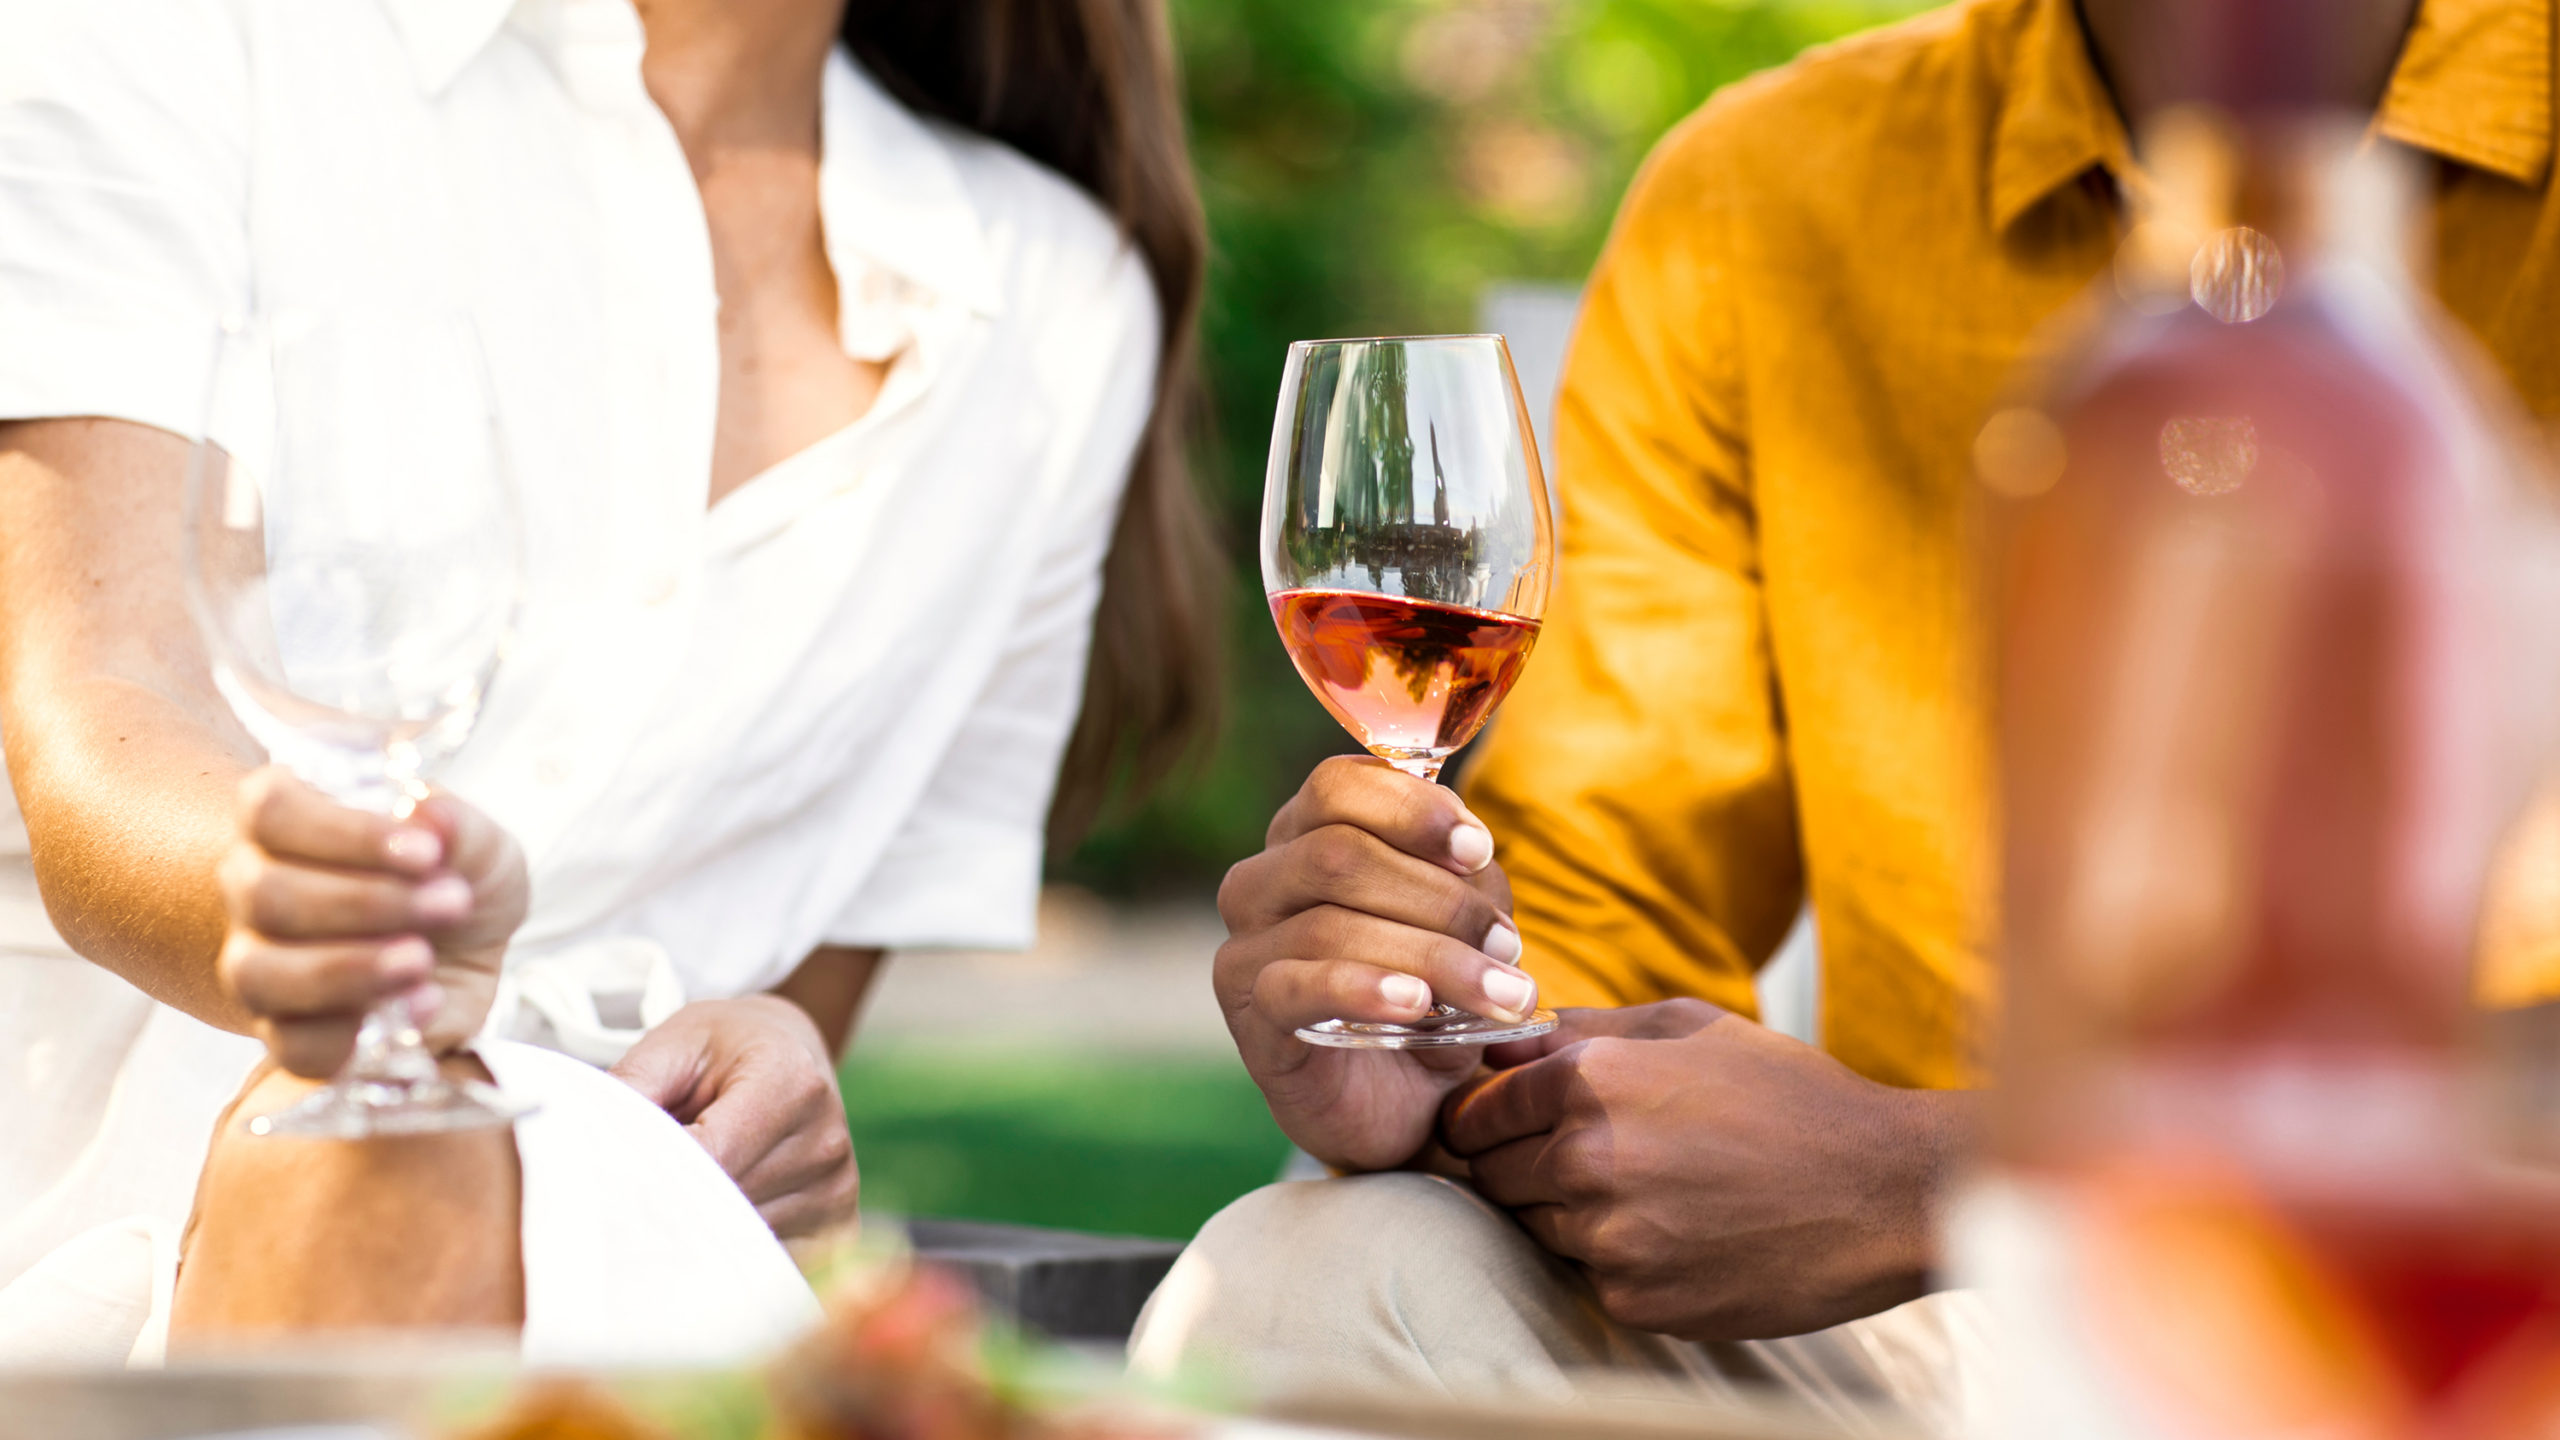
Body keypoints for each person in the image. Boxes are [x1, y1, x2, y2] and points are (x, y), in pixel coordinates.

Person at [1133, 0, 2560, 1426]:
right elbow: (1599, 926)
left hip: (2464, 1311)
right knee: (1300, 1288)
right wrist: (1451, 1069)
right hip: (1953, 1337)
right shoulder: (1768, 199)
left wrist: (1930, 1176)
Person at [0, 0, 1215, 1362]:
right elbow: (103, 717)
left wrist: (768, 1069)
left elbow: (789, 974)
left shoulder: (1056, 306)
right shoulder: (190, 39)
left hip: (626, 1289)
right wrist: (304, 915)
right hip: (97, 1260)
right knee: (389, 1146)